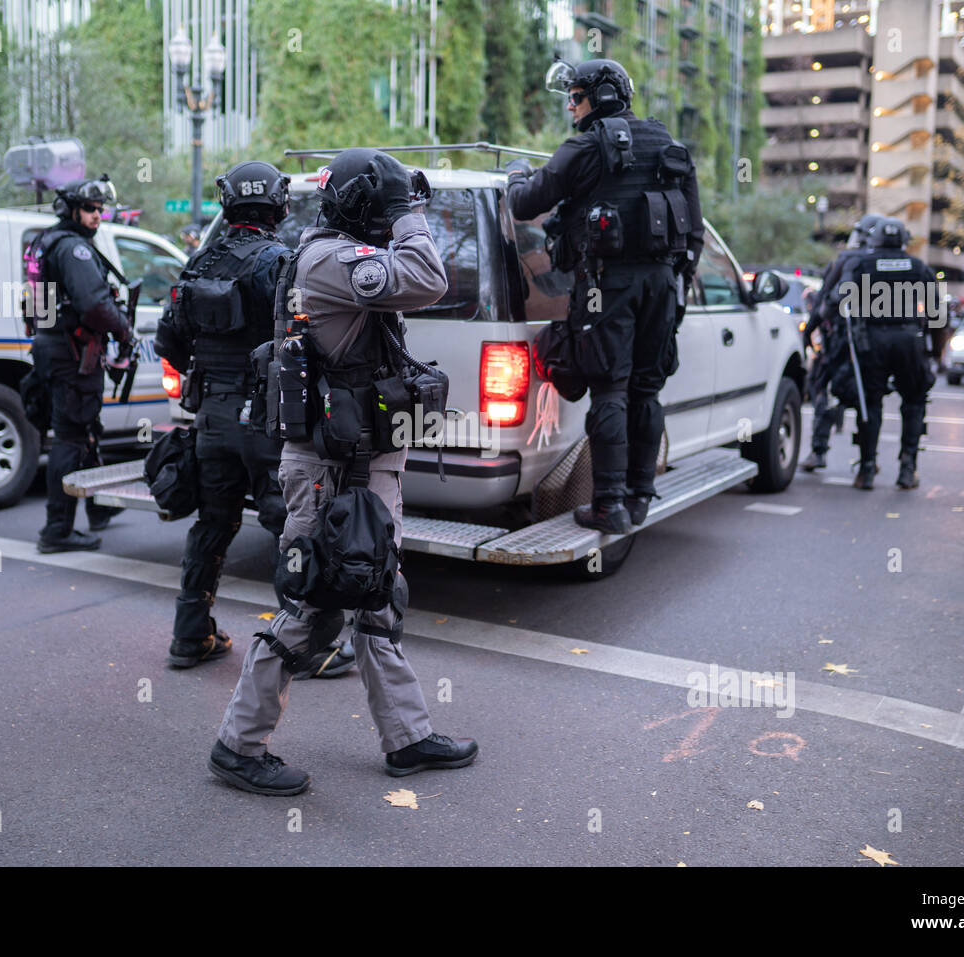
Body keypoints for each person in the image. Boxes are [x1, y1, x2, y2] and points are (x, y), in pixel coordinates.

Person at [207, 148, 477, 796]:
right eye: (384, 205)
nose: (395, 217)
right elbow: (429, 276)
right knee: (312, 608)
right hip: (333, 470)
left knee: (378, 594)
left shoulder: (340, 252)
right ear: (366, 206)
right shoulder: (328, 260)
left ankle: (407, 737)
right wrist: (408, 213)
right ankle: (237, 745)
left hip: (362, 464)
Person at [156, 160, 356, 675]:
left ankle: (189, 635)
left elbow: (168, 343)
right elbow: (309, 340)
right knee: (290, 528)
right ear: (280, 205)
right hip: (267, 419)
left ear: (228, 203)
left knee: (212, 524)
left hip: (212, 421)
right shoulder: (280, 263)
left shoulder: (197, 264)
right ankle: (310, 647)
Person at [507, 58, 704, 532]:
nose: (571, 107)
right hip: (663, 284)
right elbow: (694, 231)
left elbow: (524, 202)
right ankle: (639, 496)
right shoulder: (668, 144)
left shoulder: (586, 146)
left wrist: (516, 173)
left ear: (601, 97)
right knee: (647, 390)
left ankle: (608, 504)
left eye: (576, 97)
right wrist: (674, 282)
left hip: (607, 285)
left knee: (611, 390)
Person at [28, 175, 133, 552]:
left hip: (53, 347)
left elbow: (38, 307)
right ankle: (57, 530)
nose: (97, 216)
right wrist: (125, 331)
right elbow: (94, 305)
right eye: (90, 209)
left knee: (86, 428)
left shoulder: (45, 242)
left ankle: (99, 508)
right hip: (72, 354)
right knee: (71, 438)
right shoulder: (75, 250)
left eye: (101, 209)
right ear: (72, 209)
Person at [831, 217, 938, 490]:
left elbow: (838, 298)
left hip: (872, 340)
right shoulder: (919, 266)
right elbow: (938, 313)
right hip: (909, 340)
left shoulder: (861, 264)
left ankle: (867, 468)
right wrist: (934, 353)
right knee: (914, 402)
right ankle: (907, 467)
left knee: (871, 404)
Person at [800, 213, 884, 472]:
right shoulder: (885, 263)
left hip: (842, 342)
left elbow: (826, 301)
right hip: (869, 345)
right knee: (868, 402)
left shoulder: (847, 261)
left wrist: (809, 333)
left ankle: (819, 451)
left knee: (823, 390)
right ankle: (867, 463)